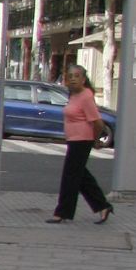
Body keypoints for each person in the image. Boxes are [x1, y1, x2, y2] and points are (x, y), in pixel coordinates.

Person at [48, 64, 115, 225]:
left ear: (83, 79)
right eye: (70, 76)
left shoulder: (85, 96)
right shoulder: (73, 94)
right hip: (74, 139)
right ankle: (103, 206)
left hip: (82, 140)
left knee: (70, 177)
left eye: (77, 76)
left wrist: (96, 140)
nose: (72, 78)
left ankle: (62, 212)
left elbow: (98, 122)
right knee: (81, 177)